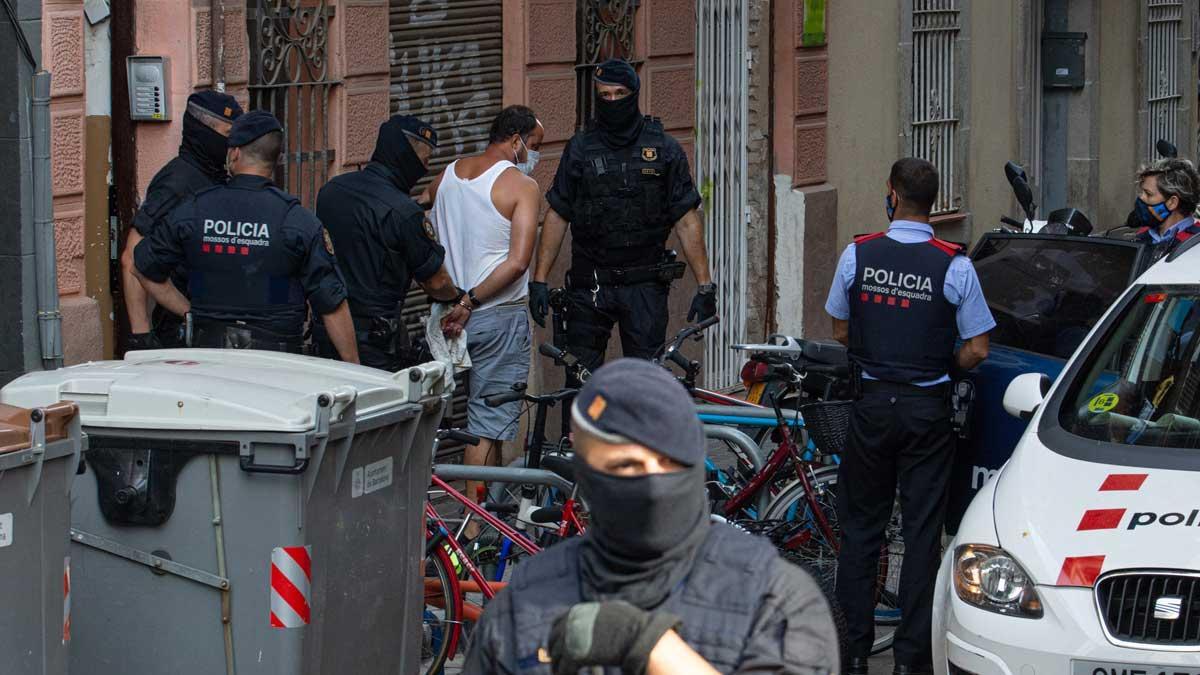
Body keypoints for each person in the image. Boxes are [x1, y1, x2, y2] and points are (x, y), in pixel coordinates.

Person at [463, 358, 840, 675]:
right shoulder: (527, 600)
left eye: (667, 463)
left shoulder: (774, 600)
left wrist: (654, 650)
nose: (650, 484)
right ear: (584, 468)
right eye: (624, 466)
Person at [824, 157, 994, 675]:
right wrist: (944, 361)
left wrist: (877, 351)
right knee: (921, 536)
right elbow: (979, 348)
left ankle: (853, 653)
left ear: (891, 194)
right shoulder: (955, 264)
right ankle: (908, 661)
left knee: (861, 532)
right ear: (934, 204)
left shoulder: (858, 254)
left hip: (872, 407)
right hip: (927, 411)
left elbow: (838, 330)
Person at [529, 58, 715, 377]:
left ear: (634, 94)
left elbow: (686, 219)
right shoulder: (580, 148)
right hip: (591, 284)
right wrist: (539, 280)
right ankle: (582, 430)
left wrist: (705, 285)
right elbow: (558, 214)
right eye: (605, 96)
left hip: (644, 284)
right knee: (580, 383)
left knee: (644, 383)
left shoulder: (664, 149)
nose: (612, 102)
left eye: (619, 94)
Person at [133, 111, 359, 362]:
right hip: (278, 361)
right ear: (277, 159)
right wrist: (356, 368)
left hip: (207, 356)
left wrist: (189, 312)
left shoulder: (194, 210)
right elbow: (332, 304)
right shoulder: (297, 221)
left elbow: (142, 267)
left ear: (235, 153)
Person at [423, 105, 543, 534]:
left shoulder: (449, 174)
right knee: (487, 426)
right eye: (535, 145)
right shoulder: (521, 186)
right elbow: (517, 262)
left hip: (447, 317)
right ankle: (472, 530)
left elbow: (422, 212)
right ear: (516, 140)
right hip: (495, 315)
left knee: (453, 418)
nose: (534, 155)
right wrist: (471, 300)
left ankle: (471, 519)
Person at [311, 114, 468, 370]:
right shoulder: (404, 213)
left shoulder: (331, 191)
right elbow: (435, 281)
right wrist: (458, 298)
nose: (425, 169)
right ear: (405, 158)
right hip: (374, 343)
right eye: (424, 161)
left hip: (327, 331)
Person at [120, 90, 243, 350]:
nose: (234, 146)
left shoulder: (213, 178)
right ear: (203, 131)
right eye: (227, 135)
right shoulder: (176, 183)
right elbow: (133, 257)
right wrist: (141, 335)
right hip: (181, 333)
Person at [1132, 157, 1200, 262]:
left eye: (1148, 194)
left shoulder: (1195, 245)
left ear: (1172, 202)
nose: (1141, 198)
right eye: (1142, 192)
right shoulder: (1141, 236)